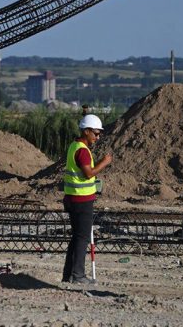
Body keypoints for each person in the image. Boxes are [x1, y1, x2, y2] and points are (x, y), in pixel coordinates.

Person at [62, 114, 112, 285]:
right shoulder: (82, 151)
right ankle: (78, 276)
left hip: (73, 198)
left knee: (76, 237)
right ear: (86, 131)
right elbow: (88, 173)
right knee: (82, 238)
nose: (97, 137)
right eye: (96, 133)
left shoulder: (74, 146)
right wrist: (104, 162)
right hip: (81, 201)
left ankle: (68, 275)